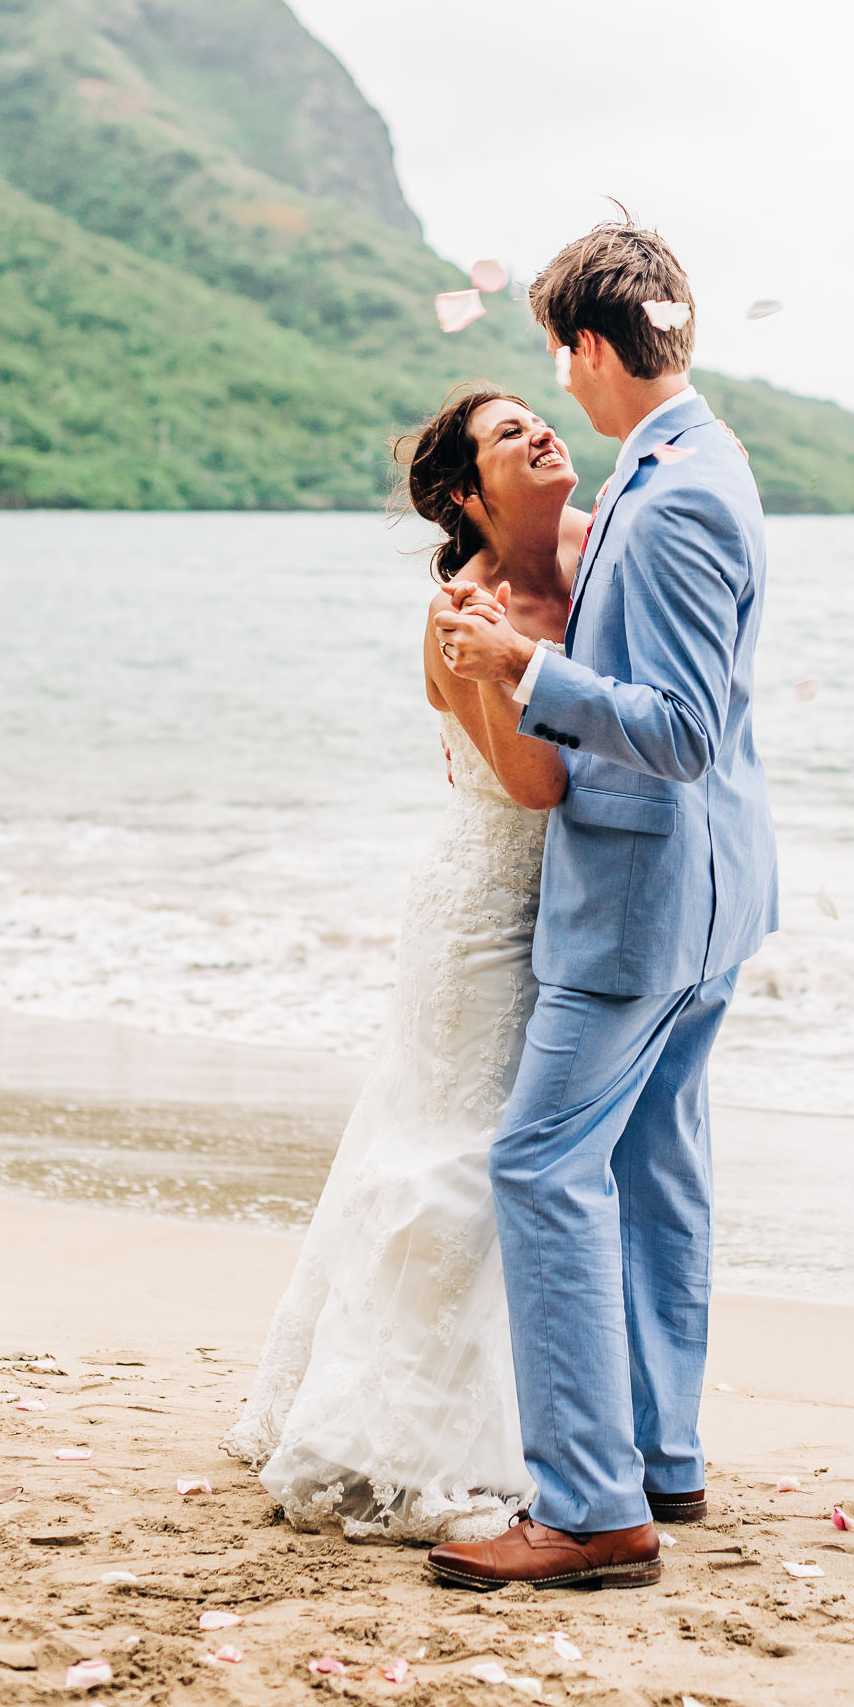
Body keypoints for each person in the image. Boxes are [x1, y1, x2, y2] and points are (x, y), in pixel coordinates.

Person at [425, 215, 778, 1593]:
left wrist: (526, 666)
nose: (559, 390)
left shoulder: (679, 490)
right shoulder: (687, 457)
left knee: (540, 1163)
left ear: (585, 348)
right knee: (655, 1165)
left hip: (644, 900)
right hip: (707, 898)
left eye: (557, 361)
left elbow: (682, 729)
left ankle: (587, 1506)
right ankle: (664, 1456)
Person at [223, 386, 586, 1542]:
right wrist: (528, 661)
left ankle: (535, 1421)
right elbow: (536, 784)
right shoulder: (461, 611)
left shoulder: (596, 551)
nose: (539, 432)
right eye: (506, 434)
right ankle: (397, 1434)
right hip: (484, 908)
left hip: (566, 908)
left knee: (500, 1151)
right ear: (472, 495)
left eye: (540, 414)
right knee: (456, 1155)